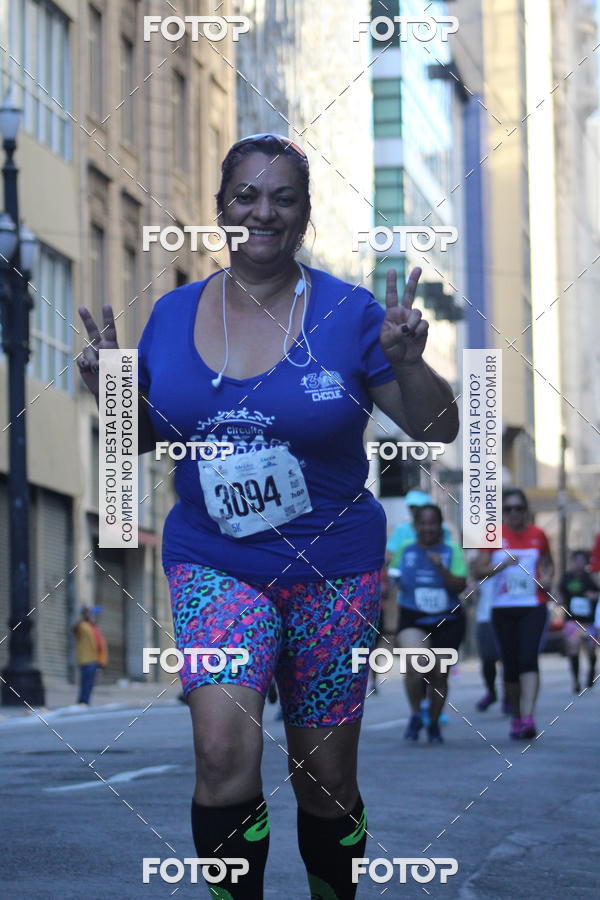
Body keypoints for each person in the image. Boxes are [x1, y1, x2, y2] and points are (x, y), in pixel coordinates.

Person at [77, 133, 458, 899]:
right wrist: (107, 389)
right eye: (246, 194)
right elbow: (146, 435)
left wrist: (411, 362)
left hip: (332, 568)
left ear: (304, 215)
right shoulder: (175, 313)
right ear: (222, 208)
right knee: (221, 753)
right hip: (216, 561)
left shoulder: (351, 313)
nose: (263, 210)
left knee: (324, 777)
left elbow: (438, 429)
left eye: (283, 197)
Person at [474, 488, 554, 740]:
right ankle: (517, 716)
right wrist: (501, 566)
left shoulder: (538, 534)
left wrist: (549, 578)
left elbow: (549, 562)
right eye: (508, 508)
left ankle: (529, 717)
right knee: (510, 665)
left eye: (518, 508)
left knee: (528, 659)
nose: (514, 513)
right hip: (502, 608)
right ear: (502, 512)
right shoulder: (491, 535)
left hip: (533, 606)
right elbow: (478, 571)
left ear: (526, 510)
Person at [389, 504, 467, 744]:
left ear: (439, 525)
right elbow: (393, 587)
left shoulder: (451, 550)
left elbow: (459, 586)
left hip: (448, 619)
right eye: (422, 523)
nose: (427, 528)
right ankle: (415, 714)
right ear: (416, 526)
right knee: (415, 665)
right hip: (413, 617)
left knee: (439, 674)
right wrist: (392, 627)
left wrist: (440, 567)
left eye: (432, 523)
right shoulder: (405, 550)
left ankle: (433, 721)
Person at [559, 549, 599, 692]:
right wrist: (559, 600)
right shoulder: (566, 577)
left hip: (589, 620)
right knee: (573, 646)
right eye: (577, 560)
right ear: (573, 561)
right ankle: (575, 680)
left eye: (583, 560)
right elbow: (560, 593)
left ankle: (591, 671)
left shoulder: (591, 577)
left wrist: (593, 595)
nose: (580, 563)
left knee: (590, 650)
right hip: (572, 619)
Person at [385, 490, 452, 564]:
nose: (415, 510)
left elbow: (450, 553)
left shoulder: (442, 529)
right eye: (412, 507)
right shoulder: (401, 529)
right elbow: (389, 555)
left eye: (419, 507)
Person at [474, 573, 508, 713]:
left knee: (507, 658)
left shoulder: (508, 559)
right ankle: (491, 692)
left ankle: (509, 697)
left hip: (507, 614)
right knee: (487, 658)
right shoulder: (480, 565)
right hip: (485, 616)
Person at [72, 606, 108, 706]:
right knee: (86, 682)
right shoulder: (82, 626)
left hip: (95, 659)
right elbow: (75, 630)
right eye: (88, 614)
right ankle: (83, 701)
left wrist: (102, 661)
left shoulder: (94, 627)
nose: (90, 616)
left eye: (91, 614)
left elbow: (100, 644)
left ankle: (85, 701)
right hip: (86, 659)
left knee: (90, 682)